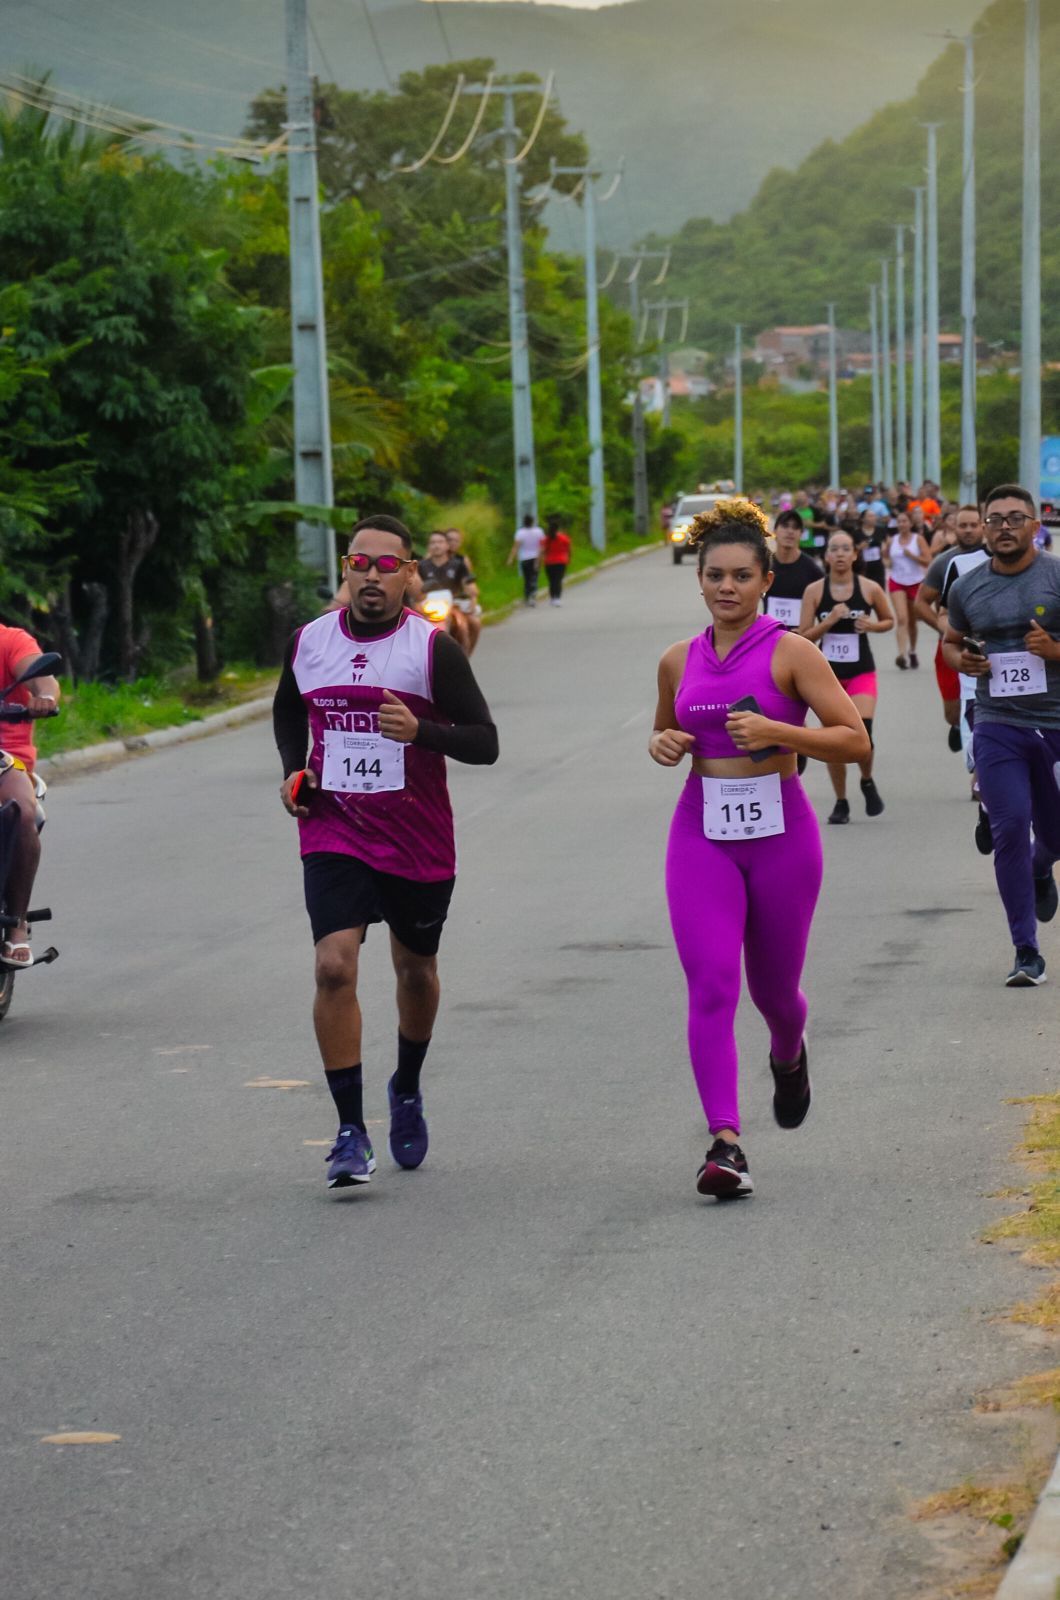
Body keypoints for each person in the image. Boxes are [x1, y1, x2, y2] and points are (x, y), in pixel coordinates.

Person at [650, 499, 870, 1200]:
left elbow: (854, 739)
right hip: (702, 830)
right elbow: (666, 732)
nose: (726, 588)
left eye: (742, 576)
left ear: (765, 578)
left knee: (775, 993)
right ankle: (725, 1142)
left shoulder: (791, 652)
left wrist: (783, 734)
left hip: (781, 833)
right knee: (711, 984)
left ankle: (788, 1053)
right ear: (700, 580)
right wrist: (663, 744)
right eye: (715, 575)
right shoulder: (677, 658)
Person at [273, 514, 499, 1188]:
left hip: (417, 837)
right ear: (346, 570)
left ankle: (406, 1083)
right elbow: (289, 709)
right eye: (359, 563)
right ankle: (349, 1131)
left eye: (386, 565)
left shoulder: (432, 650)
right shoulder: (309, 642)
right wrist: (294, 768)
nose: (371, 576)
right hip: (335, 827)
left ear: (410, 575)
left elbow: (485, 741)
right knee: (333, 967)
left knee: (416, 971)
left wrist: (422, 730)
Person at [942, 484, 1060, 987]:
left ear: (1036, 526)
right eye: (996, 520)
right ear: (984, 530)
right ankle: (1025, 949)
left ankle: (1041, 865)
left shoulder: (1056, 577)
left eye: (1016, 518)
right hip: (997, 723)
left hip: (1055, 722)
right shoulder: (967, 588)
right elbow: (950, 643)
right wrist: (962, 659)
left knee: (1054, 836)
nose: (1005, 527)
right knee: (1010, 826)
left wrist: (1054, 650)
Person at [800, 528, 895, 823]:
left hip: (861, 671)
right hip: (827, 676)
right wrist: (829, 621)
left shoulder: (869, 588)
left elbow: (889, 620)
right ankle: (841, 801)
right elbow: (803, 637)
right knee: (834, 740)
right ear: (827, 556)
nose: (840, 554)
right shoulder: (814, 591)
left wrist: (872, 626)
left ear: (855, 555)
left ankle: (866, 779)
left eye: (845, 549)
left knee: (864, 732)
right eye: (834, 549)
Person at [0, 626, 60, 970]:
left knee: (20, 810)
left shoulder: (10, 641)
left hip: (6, 756)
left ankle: (18, 926)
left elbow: (43, 679)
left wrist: (44, 698)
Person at [914, 505, 990, 757]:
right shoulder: (945, 562)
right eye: (962, 526)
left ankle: (979, 769)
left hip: (986, 647)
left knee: (984, 708)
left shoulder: (998, 560)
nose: (968, 531)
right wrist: (946, 629)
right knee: (953, 710)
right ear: (952, 528)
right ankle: (958, 726)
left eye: (973, 525)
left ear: (983, 526)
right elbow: (921, 603)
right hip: (950, 645)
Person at [884, 509, 931, 668]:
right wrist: (887, 563)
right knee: (902, 618)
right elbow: (885, 557)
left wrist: (912, 556)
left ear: (911, 523)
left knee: (912, 621)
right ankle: (901, 655)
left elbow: (927, 560)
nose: (902, 524)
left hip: (916, 582)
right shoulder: (892, 541)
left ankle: (912, 651)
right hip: (897, 581)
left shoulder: (918, 540)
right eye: (899, 521)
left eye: (905, 521)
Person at [418, 529, 473, 653]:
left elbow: (468, 584)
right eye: (433, 542)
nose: (436, 545)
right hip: (426, 608)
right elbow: (415, 589)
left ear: (447, 545)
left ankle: (464, 658)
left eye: (440, 542)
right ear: (428, 546)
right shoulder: (421, 566)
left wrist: (470, 593)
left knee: (464, 627)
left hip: (453, 606)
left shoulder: (458, 564)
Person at [767, 511, 822, 627]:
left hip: (799, 639)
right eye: (785, 526)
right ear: (775, 531)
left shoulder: (811, 568)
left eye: (795, 527)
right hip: (769, 636)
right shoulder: (765, 565)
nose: (790, 531)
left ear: (801, 534)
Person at [445, 528, 482, 653]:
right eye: (450, 539)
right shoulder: (429, 560)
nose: (453, 543)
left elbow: (469, 582)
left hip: (456, 602)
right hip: (435, 603)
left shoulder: (462, 561)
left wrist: (473, 599)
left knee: (473, 624)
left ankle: (465, 657)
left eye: (456, 540)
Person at [507, 513, 545, 607]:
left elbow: (515, 547)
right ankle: (533, 595)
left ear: (524, 522)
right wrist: (543, 557)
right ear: (532, 521)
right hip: (536, 557)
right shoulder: (539, 531)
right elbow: (542, 546)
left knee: (527, 578)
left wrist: (511, 559)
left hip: (525, 559)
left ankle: (527, 597)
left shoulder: (520, 533)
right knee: (534, 577)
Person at [853, 508, 887, 593]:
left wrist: (884, 547)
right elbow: (852, 549)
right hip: (863, 567)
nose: (874, 518)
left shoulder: (880, 530)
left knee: (880, 591)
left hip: (878, 566)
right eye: (870, 516)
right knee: (864, 591)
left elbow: (886, 543)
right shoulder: (856, 533)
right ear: (863, 519)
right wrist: (859, 547)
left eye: (874, 516)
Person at [541, 515, 572, 606]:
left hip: (549, 562)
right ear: (558, 528)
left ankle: (552, 598)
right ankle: (557, 598)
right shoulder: (564, 538)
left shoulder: (546, 539)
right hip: (561, 562)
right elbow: (568, 549)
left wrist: (541, 560)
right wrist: (569, 558)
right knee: (558, 580)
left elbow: (543, 551)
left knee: (551, 581)